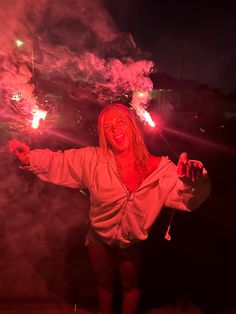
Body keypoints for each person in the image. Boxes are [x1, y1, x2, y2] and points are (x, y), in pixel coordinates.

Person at [8, 103, 211, 314]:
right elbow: (58, 161)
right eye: (107, 126)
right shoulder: (93, 160)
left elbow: (189, 197)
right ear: (104, 135)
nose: (114, 128)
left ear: (133, 126)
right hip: (98, 240)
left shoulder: (162, 170)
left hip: (131, 244)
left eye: (120, 121)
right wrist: (30, 157)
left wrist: (192, 179)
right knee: (104, 285)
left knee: (130, 286)